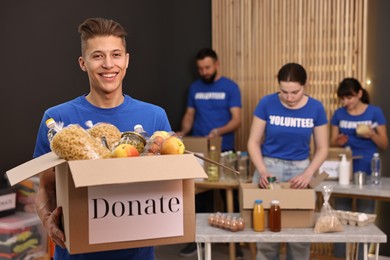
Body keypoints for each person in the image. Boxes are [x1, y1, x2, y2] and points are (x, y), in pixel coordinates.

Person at [34, 17, 172, 260]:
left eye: (116, 55)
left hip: (136, 254)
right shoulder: (57, 120)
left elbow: (168, 186)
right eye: (97, 56)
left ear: (126, 60)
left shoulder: (154, 117)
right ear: (83, 63)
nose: (109, 64)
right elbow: (46, 187)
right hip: (75, 252)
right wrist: (47, 221)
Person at [247, 63, 328, 260]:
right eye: (284, 92)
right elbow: (253, 142)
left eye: (295, 92)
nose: (290, 98)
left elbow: (322, 148)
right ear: (278, 86)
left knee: (300, 235)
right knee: (266, 234)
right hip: (269, 168)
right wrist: (263, 170)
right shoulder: (266, 103)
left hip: (301, 170)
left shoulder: (316, 108)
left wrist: (308, 174)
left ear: (305, 86)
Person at [177, 48, 242, 258]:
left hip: (225, 149)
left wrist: (219, 131)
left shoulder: (230, 87)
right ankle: (198, 240)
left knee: (228, 194)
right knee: (199, 193)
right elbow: (189, 114)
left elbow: (236, 119)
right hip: (199, 150)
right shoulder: (195, 88)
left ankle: (236, 242)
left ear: (216, 64)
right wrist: (183, 131)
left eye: (207, 67)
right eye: (200, 69)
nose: (204, 72)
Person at [330, 78, 388, 259]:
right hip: (343, 171)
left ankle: (362, 257)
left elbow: (384, 144)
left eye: (350, 97)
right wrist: (338, 142)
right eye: (343, 99)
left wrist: (371, 134)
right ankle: (340, 257)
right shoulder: (339, 114)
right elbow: (331, 142)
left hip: (368, 170)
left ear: (360, 94)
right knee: (340, 217)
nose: (346, 102)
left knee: (365, 218)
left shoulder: (374, 112)